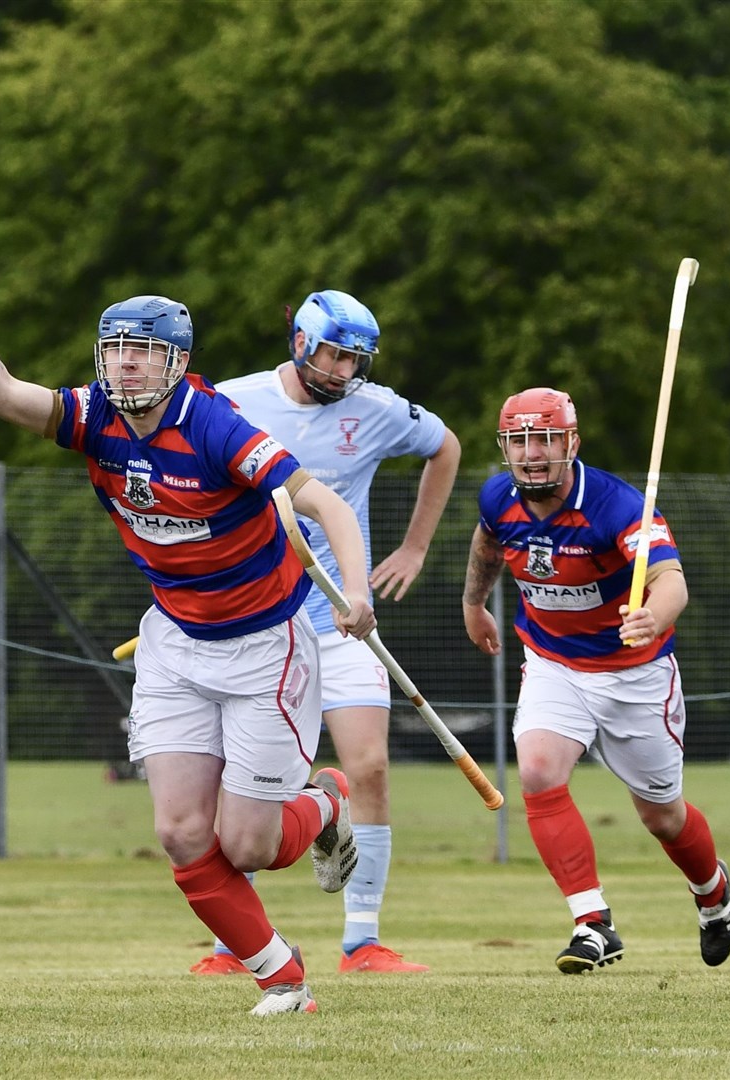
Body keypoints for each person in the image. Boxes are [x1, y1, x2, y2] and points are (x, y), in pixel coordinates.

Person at [0, 269, 376, 1015]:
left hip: (262, 648)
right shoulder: (92, 416)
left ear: (175, 362)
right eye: (114, 351)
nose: (125, 365)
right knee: (180, 833)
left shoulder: (216, 427)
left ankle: (327, 803)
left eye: (142, 352)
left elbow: (324, 503)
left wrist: (359, 591)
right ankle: (282, 978)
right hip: (174, 642)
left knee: (248, 846)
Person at [188, 290, 460, 976]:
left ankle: (361, 940)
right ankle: (232, 944)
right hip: (251, 621)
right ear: (302, 343)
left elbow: (443, 446)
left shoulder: (374, 410)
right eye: (334, 355)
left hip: (341, 618)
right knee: (236, 780)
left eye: (354, 360)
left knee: (367, 764)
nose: (343, 371)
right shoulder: (229, 400)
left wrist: (415, 548)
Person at [461, 387, 730, 974]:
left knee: (662, 815)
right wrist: (474, 604)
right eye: (519, 441)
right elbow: (487, 543)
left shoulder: (616, 507)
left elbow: (671, 581)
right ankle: (592, 922)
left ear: (571, 442)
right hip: (554, 662)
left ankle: (713, 895)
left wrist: (652, 614)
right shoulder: (497, 495)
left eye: (545, 439)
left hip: (634, 675)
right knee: (536, 769)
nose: (532, 455)